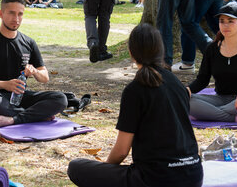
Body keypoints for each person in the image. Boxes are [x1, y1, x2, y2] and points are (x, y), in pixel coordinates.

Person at [68, 24, 203, 187]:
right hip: (194, 176)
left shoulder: (135, 89)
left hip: (156, 179)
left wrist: (105, 170)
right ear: (161, 50)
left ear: (132, 53)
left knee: (76, 167)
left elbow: (122, 151)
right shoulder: (178, 84)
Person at [0, 0, 67, 127]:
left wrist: (35, 72)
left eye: (20, 14)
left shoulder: (28, 43)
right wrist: (5, 85)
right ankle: (34, 115)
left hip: (19, 98)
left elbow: (45, 78)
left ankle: (14, 119)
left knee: (60, 98)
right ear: (1, 14)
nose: (16, 19)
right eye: (11, 13)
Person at [188, 3, 237, 124]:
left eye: (231, 21)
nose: (225, 25)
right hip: (219, 99)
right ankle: (235, 118)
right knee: (187, 100)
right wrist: (187, 90)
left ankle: (207, 113)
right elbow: (202, 80)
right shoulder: (212, 49)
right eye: (222, 21)